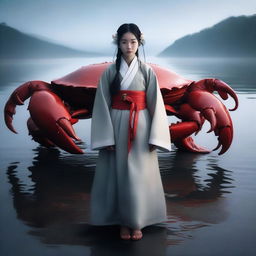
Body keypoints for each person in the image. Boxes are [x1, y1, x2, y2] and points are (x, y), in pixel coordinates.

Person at [89, 23, 171, 240]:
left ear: (139, 42)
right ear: (118, 43)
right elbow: (101, 103)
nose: (129, 46)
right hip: (115, 123)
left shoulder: (147, 71)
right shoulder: (109, 72)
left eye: (133, 42)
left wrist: (157, 135)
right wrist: (105, 136)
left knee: (139, 174)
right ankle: (121, 222)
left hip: (141, 124)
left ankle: (137, 222)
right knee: (116, 173)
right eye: (124, 42)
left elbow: (156, 103)